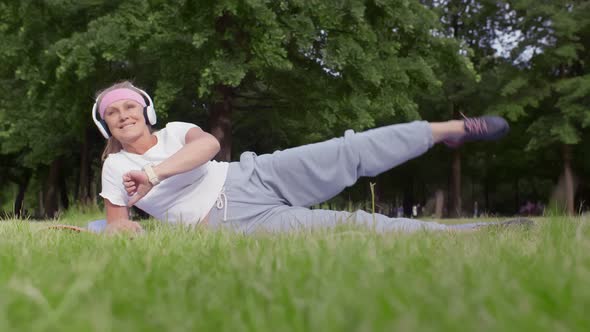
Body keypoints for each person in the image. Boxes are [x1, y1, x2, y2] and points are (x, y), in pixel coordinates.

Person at [94, 81, 514, 234]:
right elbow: (118, 226)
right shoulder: (114, 167)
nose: (123, 116)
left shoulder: (173, 131)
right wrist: (118, 232)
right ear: (105, 126)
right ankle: (471, 234)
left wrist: (154, 173)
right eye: (112, 113)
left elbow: (206, 148)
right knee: (358, 226)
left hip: (253, 174)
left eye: (129, 106)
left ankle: (449, 130)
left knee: (347, 151)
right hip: (230, 222)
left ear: (145, 111)